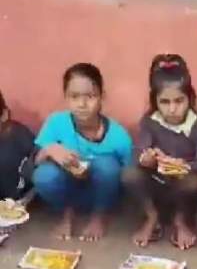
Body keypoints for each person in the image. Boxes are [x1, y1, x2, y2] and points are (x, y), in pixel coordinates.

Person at [32, 63, 133, 241]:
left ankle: (99, 217)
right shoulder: (57, 122)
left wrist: (97, 169)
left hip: (102, 195)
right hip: (68, 193)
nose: (82, 104)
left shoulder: (118, 135)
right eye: (74, 96)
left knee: (107, 165)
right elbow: (35, 161)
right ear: (66, 98)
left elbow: (130, 175)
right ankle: (67, 215)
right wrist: (50, 150)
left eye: (90, 96)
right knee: (44, 175)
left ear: (102, 96)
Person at [122, 54, 197, 249]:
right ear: (155, 101)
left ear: (190, 98)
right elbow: (138, 153)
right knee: (129, 174)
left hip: (183, 189)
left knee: (194, 182)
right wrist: (146, 158)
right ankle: (151, 217)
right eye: (165, 102)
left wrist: (184, 166)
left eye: (179, 101)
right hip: (157, 185)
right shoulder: (149, 121)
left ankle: (181, 221)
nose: (172, 109)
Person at [0, 90, 36, 202]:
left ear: (4, 115)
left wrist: (27, 198)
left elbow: (38, 174)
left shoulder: (21, 137)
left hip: (18, 202)